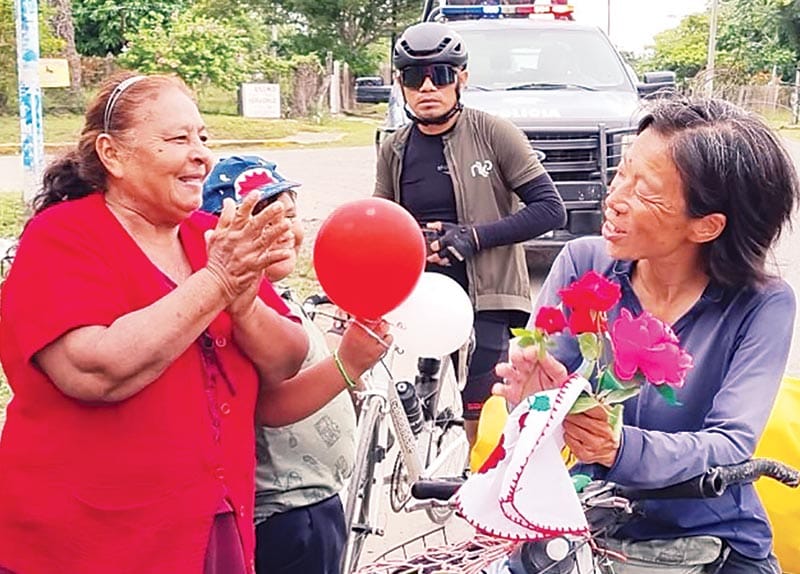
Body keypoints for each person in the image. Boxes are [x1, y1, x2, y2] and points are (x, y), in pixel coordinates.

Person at [0, 73, 390, 574]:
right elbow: (92, 372)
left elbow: (285, 363)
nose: (201, 154)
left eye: (203, 137)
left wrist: (244, 305)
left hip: (211, 520)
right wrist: (218, 282)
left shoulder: (210, 235)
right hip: (88, 541)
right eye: (177, 139)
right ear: (111, 154)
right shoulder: (62, 237)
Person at [494, 97, 799, 573]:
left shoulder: (762, 304)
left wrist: (620, 448)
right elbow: (544, 395)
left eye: (646, 192)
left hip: (711, 535)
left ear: (707, 225)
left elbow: (730, 443)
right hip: (586, 522)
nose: (614, 200)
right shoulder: (584, 264)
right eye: (621, 174)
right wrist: (533, 403)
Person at [374, 21, 567, 449]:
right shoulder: (395, 148)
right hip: (423, 294)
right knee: (401, 400)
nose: (428, 87)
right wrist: (413, 243)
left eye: (440, 75)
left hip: (491, 295)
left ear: (461, 78)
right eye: (413, 77)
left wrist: (472, 237)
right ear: (400, 85)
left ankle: (483, 495)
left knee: (482, 417)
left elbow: (550, 209)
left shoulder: (495, 133)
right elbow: (382, 223)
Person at [201, 156, 367, 574]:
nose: (281, 230)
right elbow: (268, 406)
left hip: (314, 500)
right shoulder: (235, 312)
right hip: (284, 510)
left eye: (289, 214)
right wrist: (347, 364)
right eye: (260, 219)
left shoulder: (280, 297)